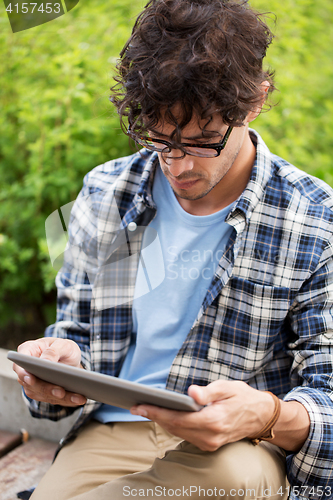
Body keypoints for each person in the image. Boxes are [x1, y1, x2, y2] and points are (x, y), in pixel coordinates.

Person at [13, 0, 333, 499]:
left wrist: (270, 414)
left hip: (238, 447)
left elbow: (327, 396)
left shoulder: (315, 220)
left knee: (233, 480)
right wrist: (59, 365)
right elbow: (77, 336)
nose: (179, 167)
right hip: (113, 431)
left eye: (204, 142)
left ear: (256, 102)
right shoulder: (107, 194)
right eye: (160, 140)